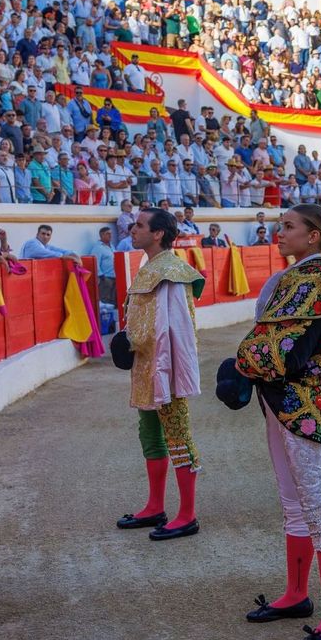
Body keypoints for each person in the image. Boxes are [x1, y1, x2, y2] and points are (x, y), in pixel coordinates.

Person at [233, 204, 321, 640]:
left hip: (298, 399)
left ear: (314, 236)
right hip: (280, 398)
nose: (278, 233)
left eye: (288, 227)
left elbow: (283, 349)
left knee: (317, 503)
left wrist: (240, 363)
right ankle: (296, 595)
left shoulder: (317, 281)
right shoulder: (301, 277)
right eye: (279, 226)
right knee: (295, 501)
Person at [118, 208, 204, 541]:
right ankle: (155, 505)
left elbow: (179, 329)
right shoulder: (150, 268)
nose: (132, 228)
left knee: (179, 436)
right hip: (146, 364)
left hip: (167, 367)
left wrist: (175, 372)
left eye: (139, 225)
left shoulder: (172, 271)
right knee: (150, 434)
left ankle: (188, 514)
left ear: (157, 234)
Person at [89, 225, 118, 305]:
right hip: (105, 278)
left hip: (114, 276)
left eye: (111, 233)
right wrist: (102, 276)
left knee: (113, 299)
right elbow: (95, 263)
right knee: (105, 299)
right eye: (108, 233)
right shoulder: (98, 248)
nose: (110, 235)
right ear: (102, 235)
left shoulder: (111, 246)